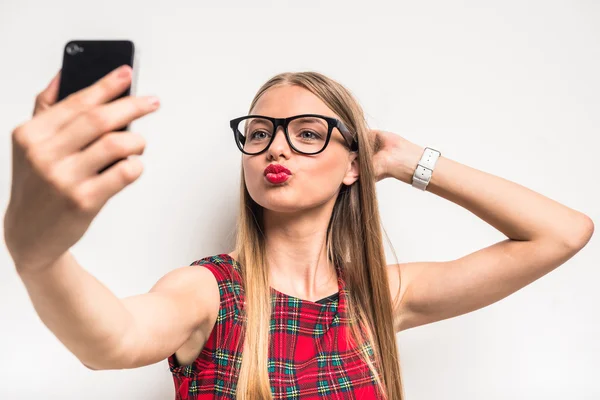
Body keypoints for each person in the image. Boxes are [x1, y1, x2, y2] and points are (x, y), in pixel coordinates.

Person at [4, 65, 594, 400]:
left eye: (308, 132)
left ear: (354, 164)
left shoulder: (378, 298)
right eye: (260, 131)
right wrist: (37, 252)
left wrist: (410, 160)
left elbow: (563, 233)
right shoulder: (209, 292)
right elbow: (109, 341)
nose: (277, 145)